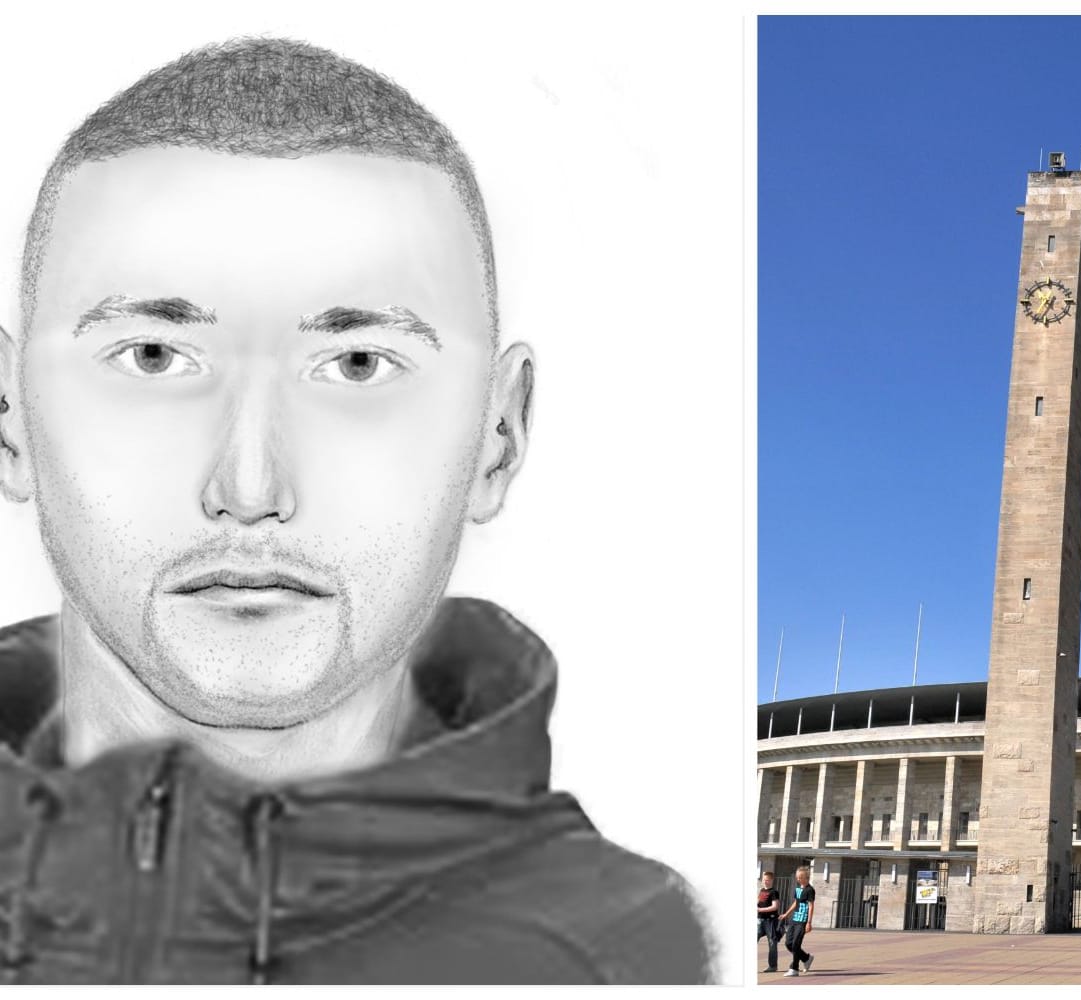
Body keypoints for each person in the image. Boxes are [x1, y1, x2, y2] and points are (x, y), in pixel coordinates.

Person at [0, 38, 714, 984]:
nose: (250, 488)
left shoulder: (637, 954)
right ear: (11, 420)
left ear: (496, 439)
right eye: (155, 357)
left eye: (358, 366)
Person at [779, 865, 817, 977]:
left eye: (801, 877)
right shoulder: (798, 889)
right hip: (794, 919)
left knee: (796, 944)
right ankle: (806, 958)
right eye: (797, 877)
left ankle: (794, 969)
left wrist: (809, 922)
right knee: (788, 943)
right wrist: (786, 914)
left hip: (803, 921)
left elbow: (811, 906)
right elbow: (796, 902)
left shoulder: (810, 890)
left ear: (807, 878)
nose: (798, 879)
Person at [756, 871, 782, 973]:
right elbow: (759, 902)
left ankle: (773, 966)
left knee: (772, 943)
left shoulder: (774, 892)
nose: (765, 882)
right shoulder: (762, 890)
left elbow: (775, 906)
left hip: (770, 921)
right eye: (764, 880)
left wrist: (760, 910)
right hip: (759, 920)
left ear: (771, 880)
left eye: (767, 880)